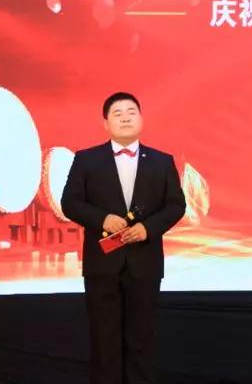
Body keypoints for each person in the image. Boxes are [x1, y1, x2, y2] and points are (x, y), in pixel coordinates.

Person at [61, 92, 186, 384]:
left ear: (141, 119)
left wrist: (148, 228)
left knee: (142, 339)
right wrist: (102, 219)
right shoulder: (86, 159)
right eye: (117, 113)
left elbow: (176, 205)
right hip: (102, 264)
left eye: (131, 112)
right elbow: (70, 203)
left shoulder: (161, 161)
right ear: (105, 124)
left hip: (145, 264)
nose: (125, 117)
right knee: (104, 339)